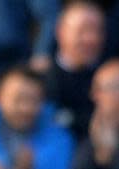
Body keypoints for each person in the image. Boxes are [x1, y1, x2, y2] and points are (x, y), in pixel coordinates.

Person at [45, 1, 106, 138]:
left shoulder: (113, 78)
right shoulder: (40, 80)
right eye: (83, 30)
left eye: (98, 31)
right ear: (61, 32)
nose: (91, 39)